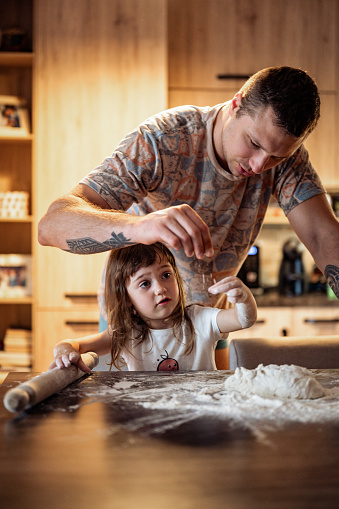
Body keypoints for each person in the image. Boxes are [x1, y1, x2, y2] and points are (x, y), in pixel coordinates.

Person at [38, 66, 339, 368]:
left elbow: (323, 236)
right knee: (130, 412)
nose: (261, 165)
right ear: (236, 103)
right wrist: (140, 227)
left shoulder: (287, 161)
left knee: (211, 409)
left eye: (277, 157)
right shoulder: (163, 139)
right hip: (136, 324)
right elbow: (52, 225)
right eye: (254, 144)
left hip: (209, 321)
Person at [49, 242, 257, 372]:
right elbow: (71, 344)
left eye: (166, 275)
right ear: (127, 297)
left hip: (200, 420)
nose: (160, 288)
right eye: (145, 283)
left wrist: (244, 299)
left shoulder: (200, 319)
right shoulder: (126, 334)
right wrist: (64, 352)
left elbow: (244, 319)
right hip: (147, 424)